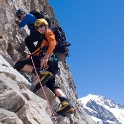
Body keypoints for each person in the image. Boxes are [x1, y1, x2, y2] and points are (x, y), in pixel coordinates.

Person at [14, 18, 74, 115]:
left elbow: (53, 42)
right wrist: (31, 55)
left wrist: (46, 57)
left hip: (46, 60)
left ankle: (41, 72)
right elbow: (38, 50)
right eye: (37, 27)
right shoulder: (42, 39)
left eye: (41, 25)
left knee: (18, 65)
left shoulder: (48, 32)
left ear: (46, 25)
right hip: (53, 65)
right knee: (51, 84)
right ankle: (66, 103)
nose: (39, 28)